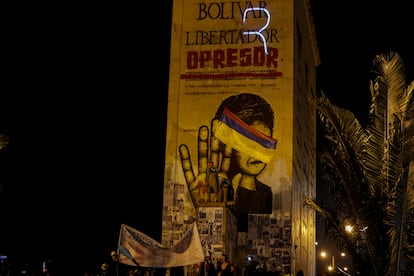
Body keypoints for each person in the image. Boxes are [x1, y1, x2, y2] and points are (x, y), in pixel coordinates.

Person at [179, 93, 276, 231]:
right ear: (225, 144)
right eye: (248, 142)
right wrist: (210, 212)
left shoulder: (266, 193)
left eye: (265, 142)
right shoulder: (214, 192)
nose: (259, 152)